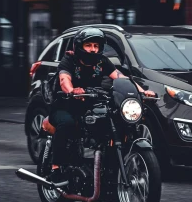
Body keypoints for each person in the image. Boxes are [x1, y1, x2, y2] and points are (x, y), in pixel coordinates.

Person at [49, 27, 155, 174]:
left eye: (96, 46)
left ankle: (105, 165)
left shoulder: (102, 61)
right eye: (88, 45)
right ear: (79, 46)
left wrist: (141, 92)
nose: (93, 49)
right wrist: (72, 90)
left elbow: (120, 77)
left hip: (90, 104)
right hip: (65, 105)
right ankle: (56, 167)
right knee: (68, 124)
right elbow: (64, 79)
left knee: (112, 121)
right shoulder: (69, 60)